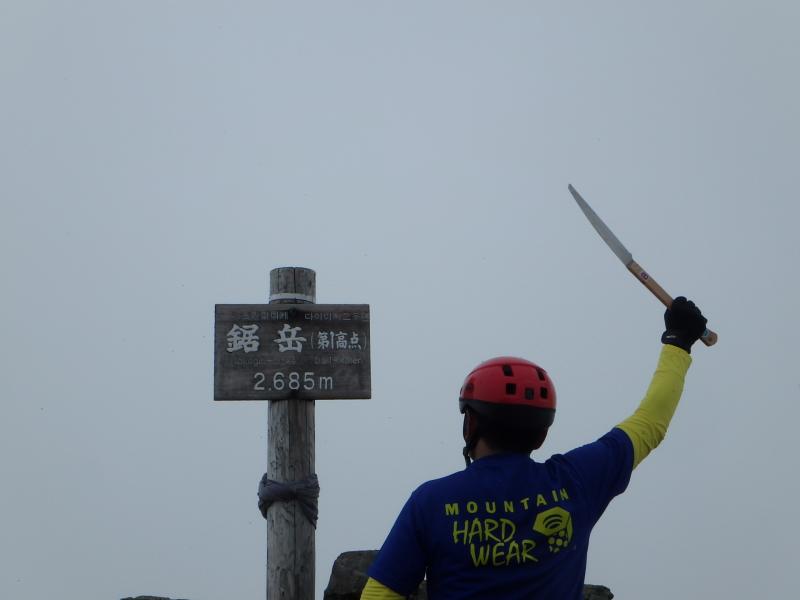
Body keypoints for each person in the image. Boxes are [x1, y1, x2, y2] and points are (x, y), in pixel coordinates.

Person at [361, 297, 708, 600]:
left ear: (471, 424)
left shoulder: (431, 502)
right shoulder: (578, 481)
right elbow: (651, 423)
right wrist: (677, 342)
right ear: (542, 434)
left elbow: (380, 594)